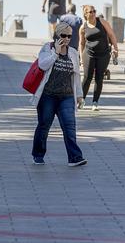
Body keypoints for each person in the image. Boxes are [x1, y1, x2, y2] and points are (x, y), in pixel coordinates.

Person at [31, 22, 87, 167]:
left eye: (69, 36)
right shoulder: (47, 48)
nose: (67, 39)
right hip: (48, 96)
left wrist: (79, 95)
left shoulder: (73, 52)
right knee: (44, 125)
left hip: (66, 96)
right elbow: (43, 65)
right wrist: (56, 52)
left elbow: (76, 76)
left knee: (70, 126)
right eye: (63, 35)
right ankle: (38, 154)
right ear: (57, 35)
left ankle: (75, 157)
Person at [78, 5, 119, 111]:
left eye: (94, 11)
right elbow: (81, 43)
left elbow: (111, 34)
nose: (93, 14)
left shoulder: (101, 21)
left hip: (103, 54)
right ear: (85, 14)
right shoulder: (83, 27)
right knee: (87, 77)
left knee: (99, 77)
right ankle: (81, 100)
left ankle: (95, 102)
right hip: (89, 53)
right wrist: (81, 58)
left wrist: (115, 48)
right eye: (90, 12)